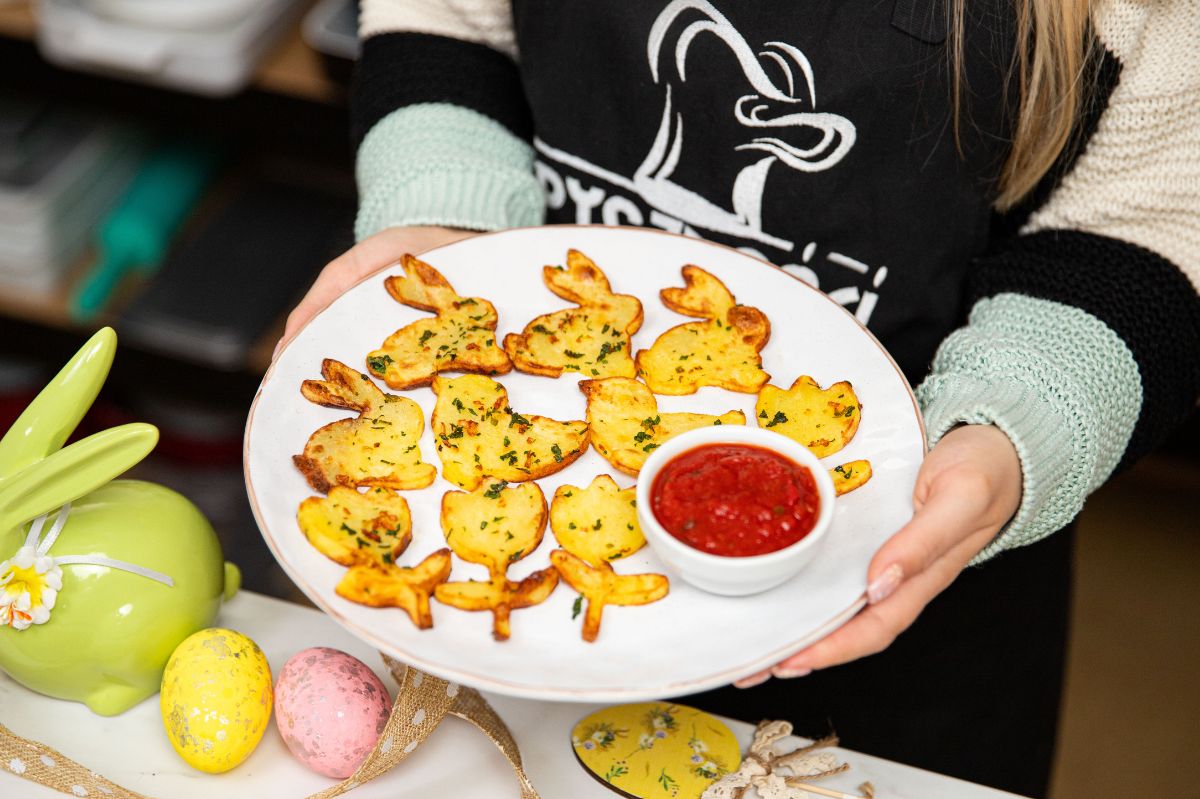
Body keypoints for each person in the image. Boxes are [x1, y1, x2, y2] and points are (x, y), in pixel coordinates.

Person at [278, 2, 1200, 795]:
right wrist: (452, 227)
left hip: (916, 597)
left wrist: (1018, 424)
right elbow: (450, 24)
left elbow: (1147, 219)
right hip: (519, 620)